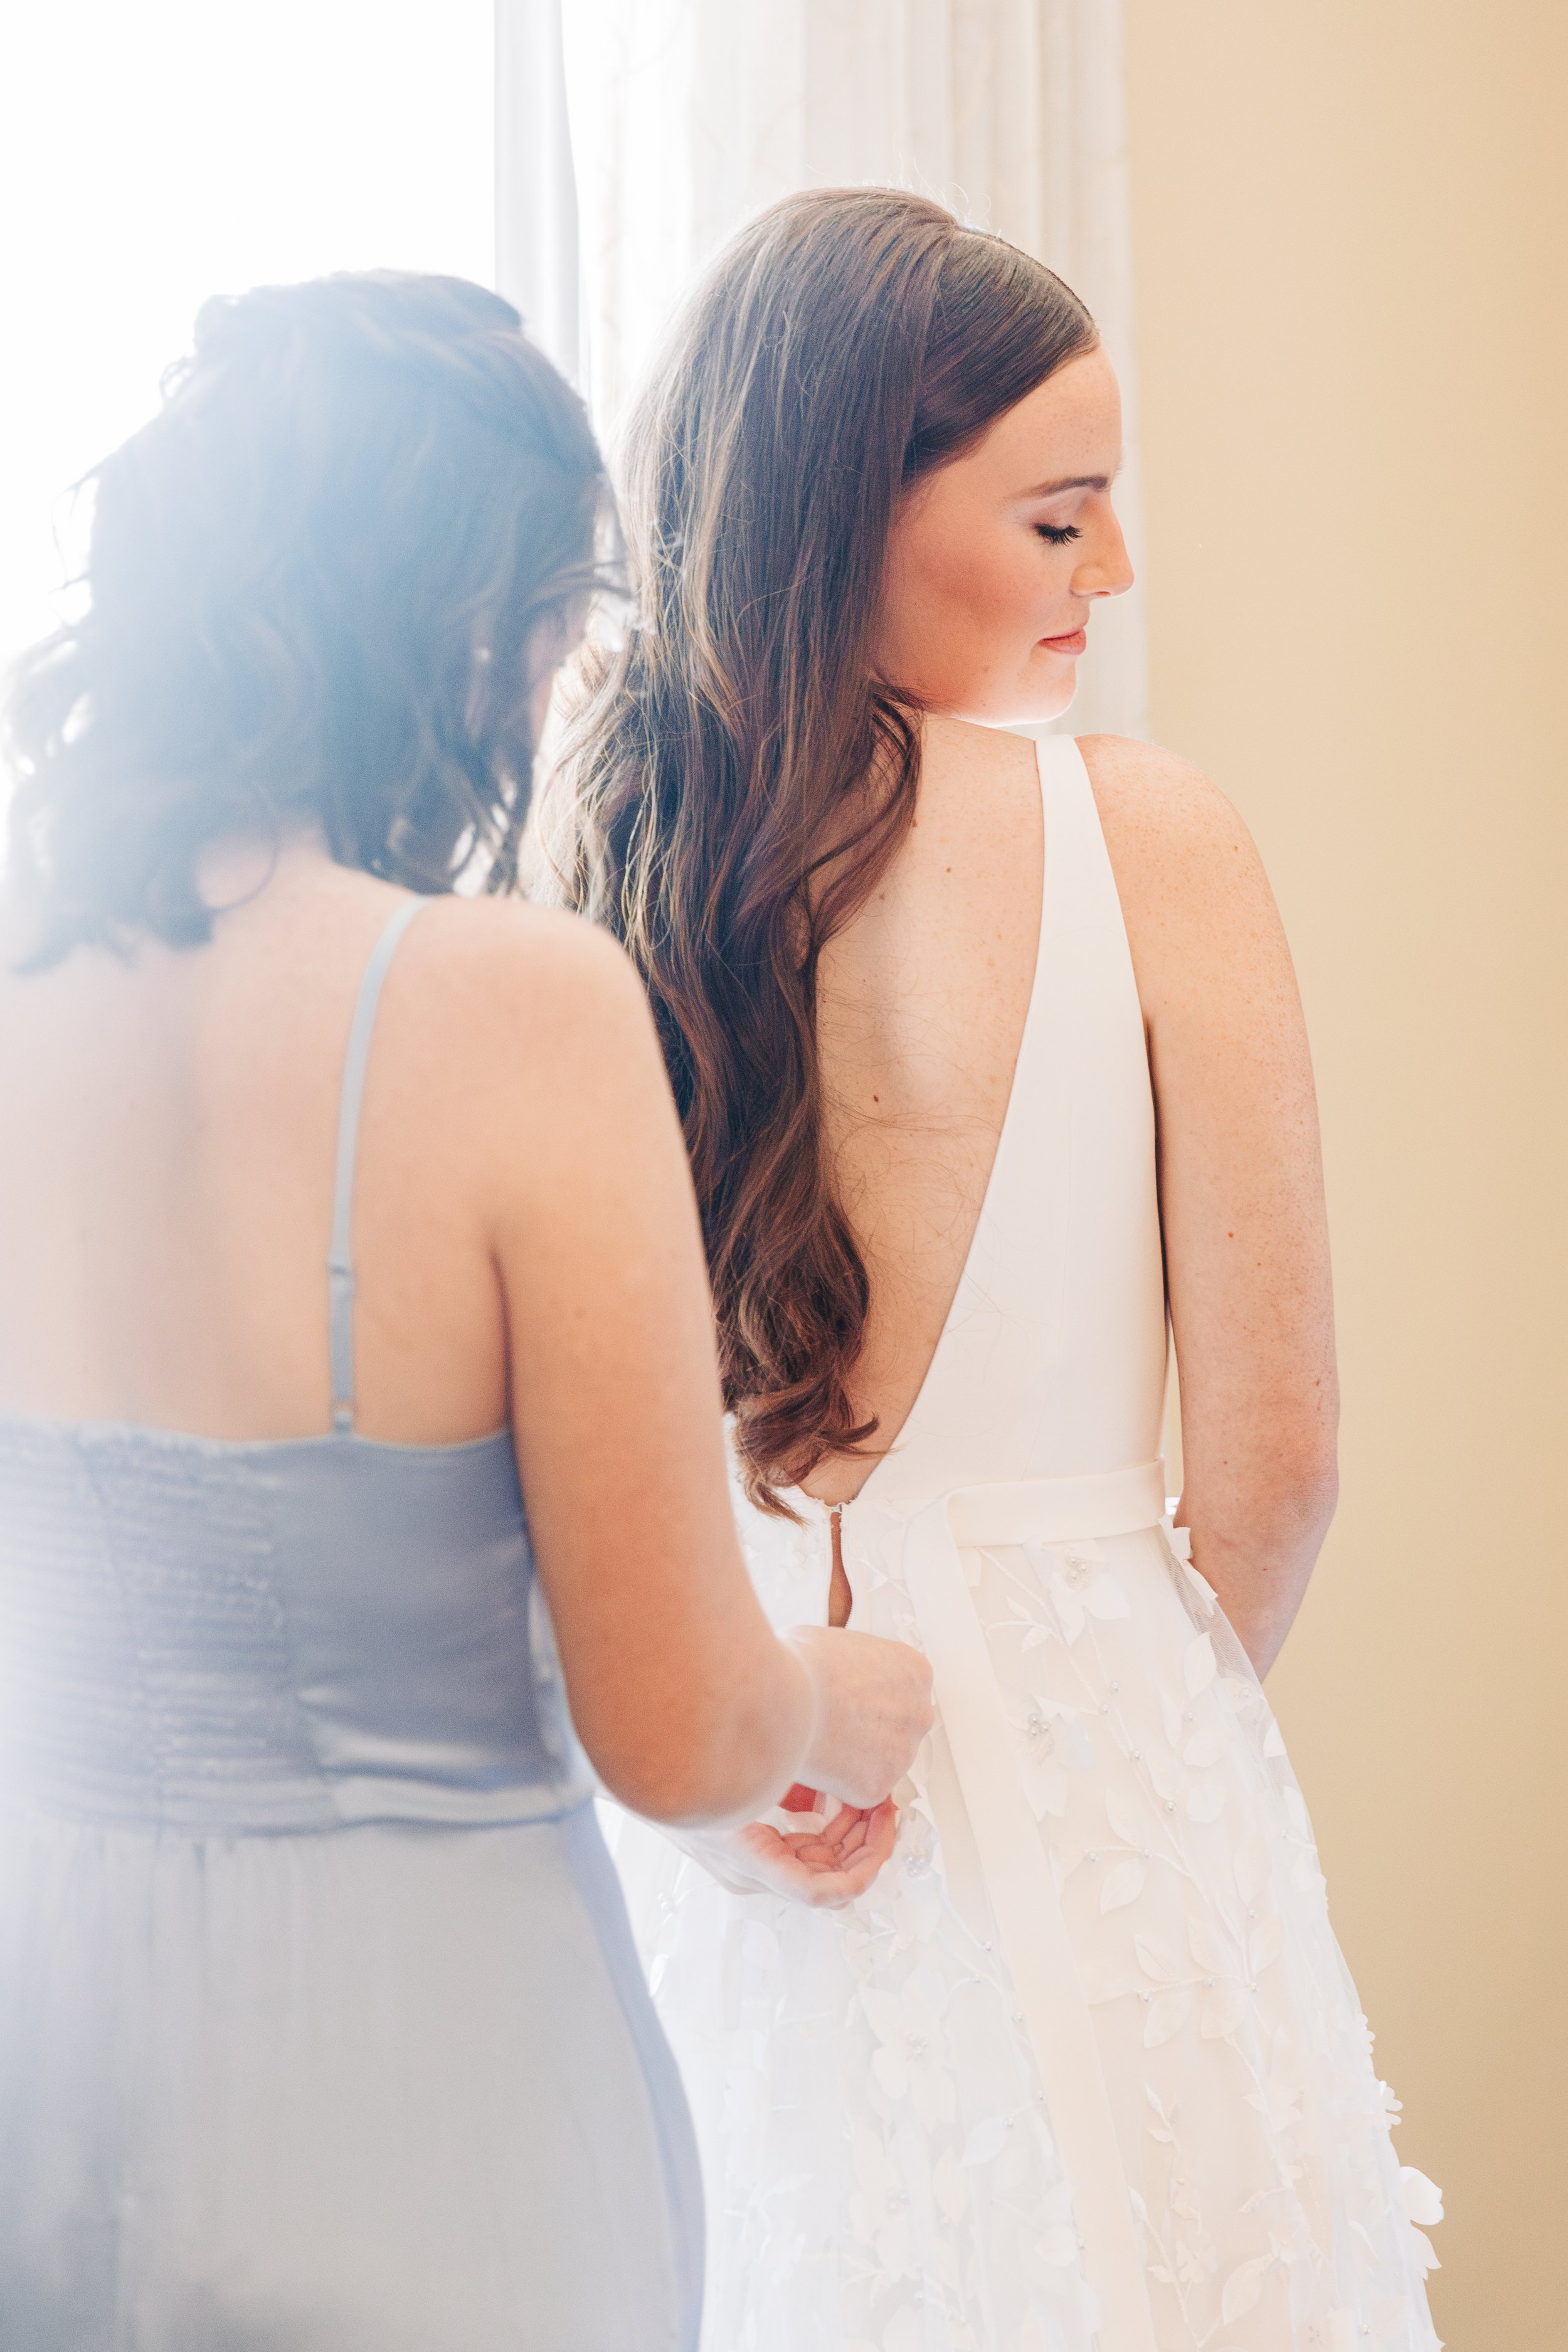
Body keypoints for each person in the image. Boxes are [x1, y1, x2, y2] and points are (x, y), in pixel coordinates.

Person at [544, 190, 1443, 2352]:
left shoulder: (602, 873)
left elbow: (548, 1482)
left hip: (737, 1787)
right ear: (848, 507)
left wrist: (730, 1754)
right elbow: (1280, 1460)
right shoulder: (1146, 837)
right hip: (1106, 1778)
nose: (1108, 571)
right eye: (1057, 518)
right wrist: (1125, 1730)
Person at [0, 269, 933, 2351]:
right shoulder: (503, 1004)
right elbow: (677, 1728)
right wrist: (830, 1705)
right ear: (460, 619)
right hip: (414, 2063)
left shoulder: (23, 981)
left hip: (54, 2040)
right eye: (550, 613)